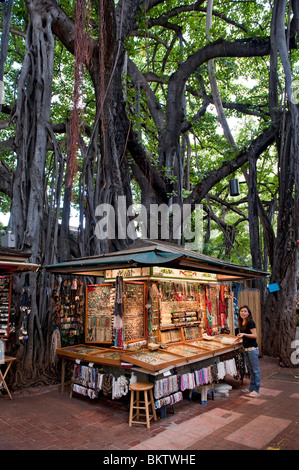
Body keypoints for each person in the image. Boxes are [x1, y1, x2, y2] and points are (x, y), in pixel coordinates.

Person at [237, 305, 261, 397]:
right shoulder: (242, 322)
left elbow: (255, 336)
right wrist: (240, 338)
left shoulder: (250, 322)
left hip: (252, 349)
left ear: (248, 313)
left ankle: (256, 389)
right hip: (246, 349)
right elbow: (245, 335)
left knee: (255, 370)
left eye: (245, 311)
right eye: (241, 311)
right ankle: (251, 388)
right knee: (250, 370)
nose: (243, 313)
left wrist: (244, 334)